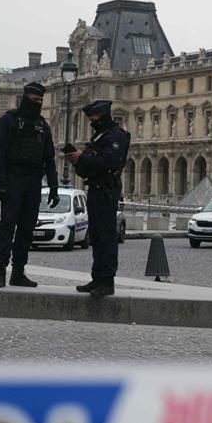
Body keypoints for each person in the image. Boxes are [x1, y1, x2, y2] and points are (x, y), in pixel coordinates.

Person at [0, 81, 59, 288]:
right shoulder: (8, 120)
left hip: (33, 182)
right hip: (13, 180)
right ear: (25, 97)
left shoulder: (42, 125)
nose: (38, 103)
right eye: (35, 99)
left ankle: (18, 271)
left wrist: (54, 187)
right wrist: (1, 184)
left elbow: (50, 159)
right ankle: (0, 271)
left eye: (40, 100)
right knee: (7, 227)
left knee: (26, 229)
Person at [64, 99, 130, 298]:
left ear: (102, 116)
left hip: (107, 190)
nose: (91, 121)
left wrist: (83, 157)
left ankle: (107, 281)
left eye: (93, 117)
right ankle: (97, 277)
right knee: (97, 236)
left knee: (107, 236)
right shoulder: (100, 136)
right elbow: (89, 168)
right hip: (95, 188)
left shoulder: (117, 136)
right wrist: (77, 161)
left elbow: (110, 161)